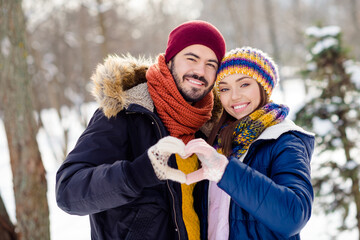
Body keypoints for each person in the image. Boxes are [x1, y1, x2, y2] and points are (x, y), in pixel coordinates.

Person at [55, 20, 225, 240]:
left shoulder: (211, 127)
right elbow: (68, 192)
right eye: (191, 58)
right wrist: (137, 174)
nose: (200, 71)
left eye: (211, 64)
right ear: (170, 60)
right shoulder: (125, 113)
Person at [184, 47, 315, 239]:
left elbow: (294, 215)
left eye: (244, 84)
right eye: (225, 88)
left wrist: (226, 171)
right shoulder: (218, 142)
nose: (234, 96)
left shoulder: (285, 140)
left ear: (264, 87)